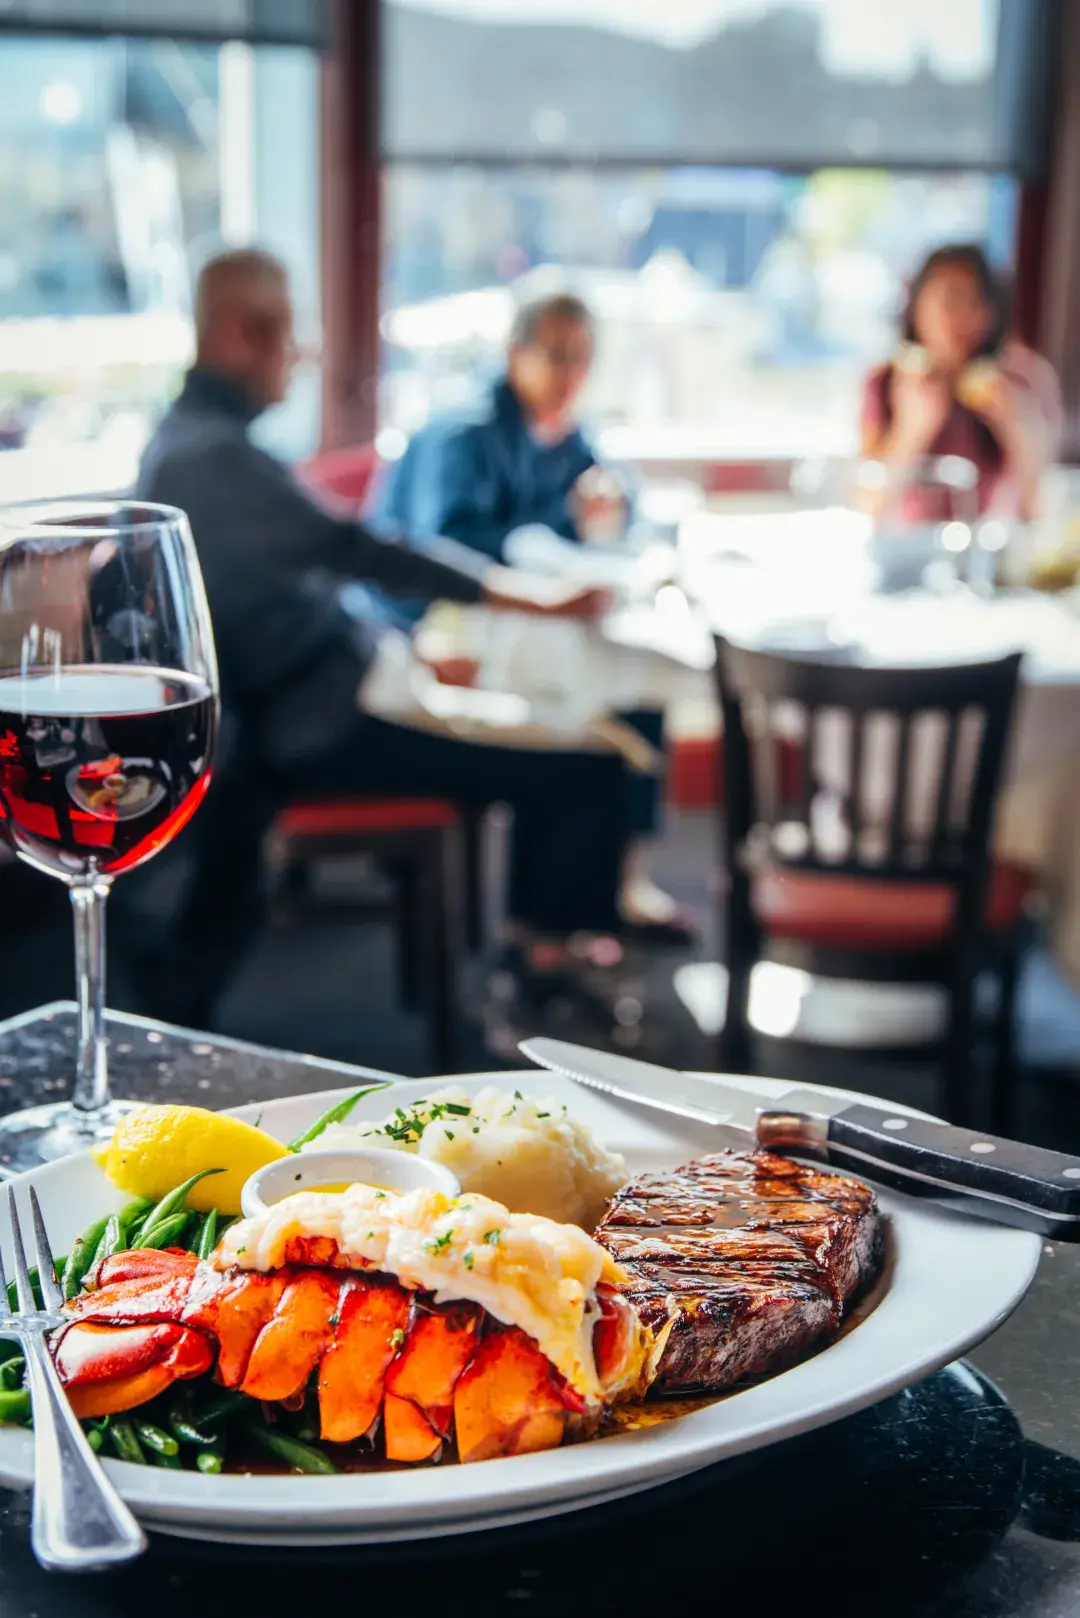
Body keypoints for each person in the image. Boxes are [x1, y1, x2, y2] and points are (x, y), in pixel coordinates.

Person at [126, 249, 632, 1030]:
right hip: (327, 722)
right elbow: (359, 551)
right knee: (589, 759)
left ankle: (534, 964)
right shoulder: (210, 459)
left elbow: (314, 586)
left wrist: (411, 649)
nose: (297, 358)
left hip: (349, 686)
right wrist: (530, 598)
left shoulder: (198, 443)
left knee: (576, 742)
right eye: (289, 336)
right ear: (240, 333)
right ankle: (536, 989)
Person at [375, 291, 692, 943]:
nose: (571, 373)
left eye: (583, 358)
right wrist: (563, 525)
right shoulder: (462, 433)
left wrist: (611, 511)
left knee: (638, 679)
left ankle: (615, 886)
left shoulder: (565, 432)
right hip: (423, 632)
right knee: (578, 705)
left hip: (520, 621)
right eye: (556, 355)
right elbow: (449, 556)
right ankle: (546, 932)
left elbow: (614, 495)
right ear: (514, 353)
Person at [861, 242, 1061, 524]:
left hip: (991, 546)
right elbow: (869, 509)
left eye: (976, 301)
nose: (962, 317)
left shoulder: (1025, 379)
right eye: (949, 299)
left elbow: (1041, 513)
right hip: (907, 552)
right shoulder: (885, 382)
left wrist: (1019, 429)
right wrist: (912, 429)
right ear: (917, 305)